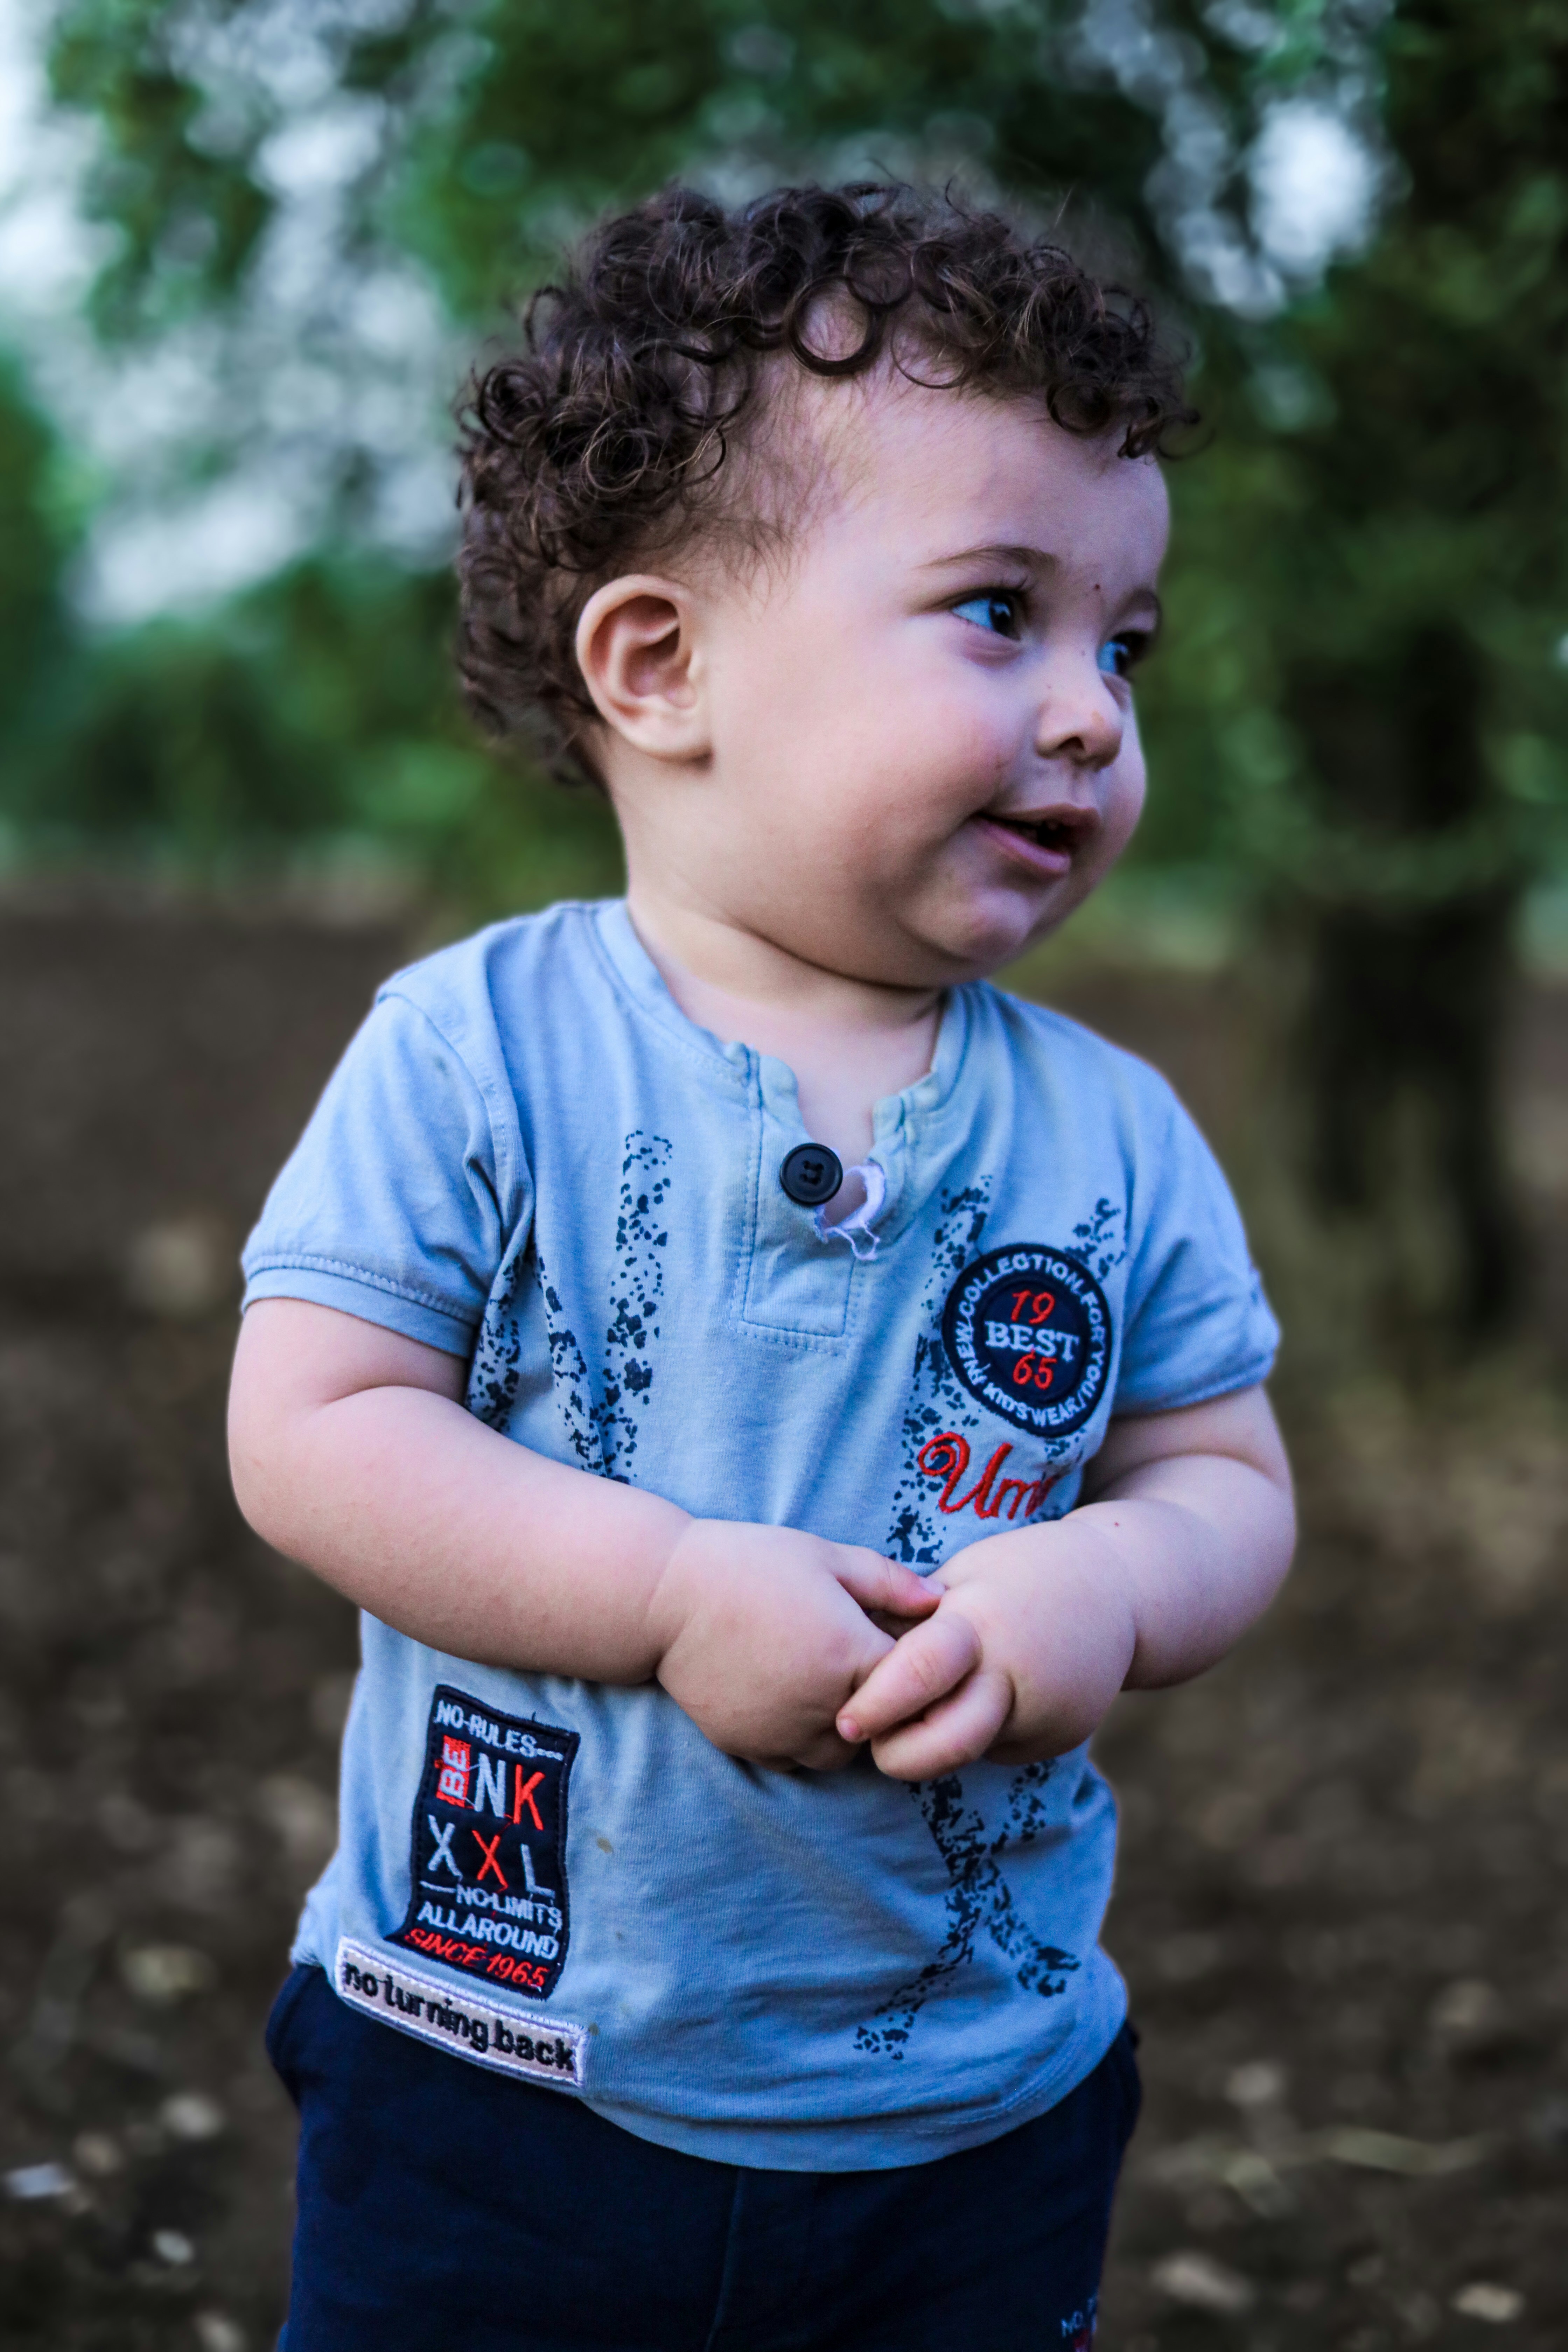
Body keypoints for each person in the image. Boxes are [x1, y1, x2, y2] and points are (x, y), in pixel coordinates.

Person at [228, 182, 1295, 2351]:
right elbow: (315, 1425)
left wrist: (1109, 1585)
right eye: (1000, 613)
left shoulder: (1112, 1136)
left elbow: (1224, 1472)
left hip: (968, 2113)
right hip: (497, 2067)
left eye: (1125, 645)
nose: (1094, 715)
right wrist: (666, 1594)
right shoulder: (483, 1050)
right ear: (663, 666)